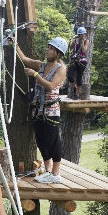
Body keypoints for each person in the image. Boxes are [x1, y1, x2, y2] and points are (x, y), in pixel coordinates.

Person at [10, 37, 68, 184]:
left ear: (58, 53)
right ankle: (48, 171)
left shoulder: (60, 68)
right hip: (38, 110)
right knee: (41, 140)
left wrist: (35, 75)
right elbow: (25, 59)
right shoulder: (41, 65)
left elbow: (51, 86)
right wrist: (16, 44)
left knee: (53, 140)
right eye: (48, 47)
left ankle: (55, 174)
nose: (47, 50)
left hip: (51, 111)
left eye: (51, 49)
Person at [67, 26, 89, 98]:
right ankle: (74, 86)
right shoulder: (75, 40)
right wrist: (72, 41)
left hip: (82, 61)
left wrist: (82, 42)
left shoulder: (86, 41)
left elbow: (84, 50)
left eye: (82, 34)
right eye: (80, 35)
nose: (81, 36)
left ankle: (77, 94)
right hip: (74, 60)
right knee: (69, 76)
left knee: (79, 77)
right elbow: (70, 48)